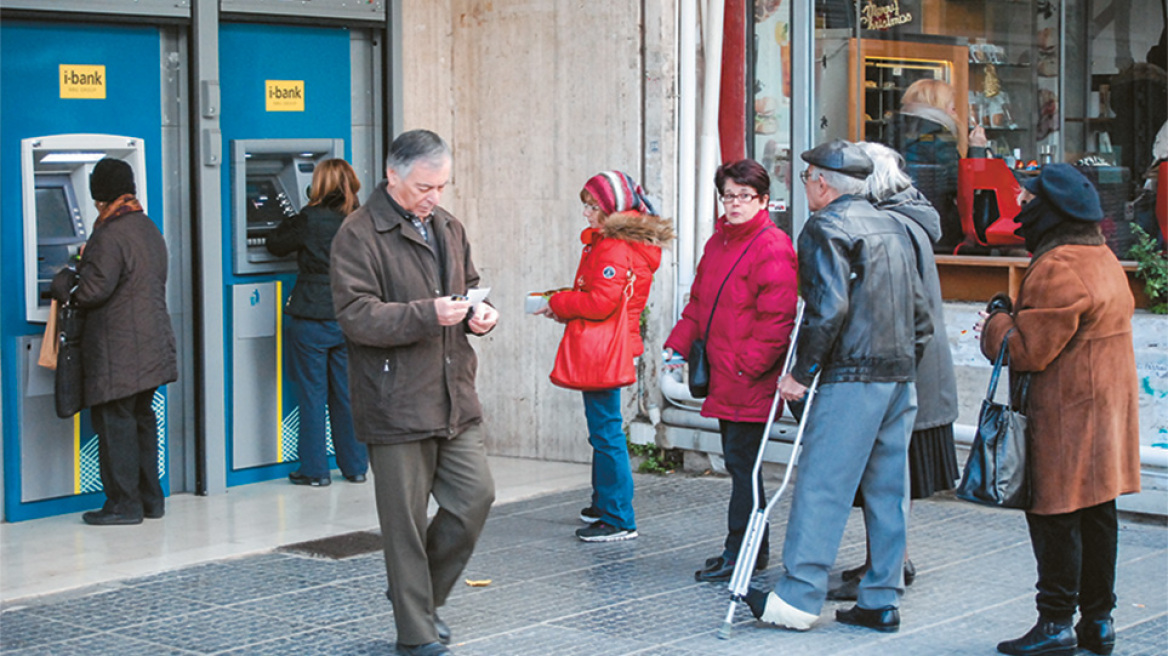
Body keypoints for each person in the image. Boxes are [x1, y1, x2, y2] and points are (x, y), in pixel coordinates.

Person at [744, 139, 932, 633]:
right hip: (898, 375)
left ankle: (798, 598)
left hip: (853, 374)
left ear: (822, 183)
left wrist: (800, 375)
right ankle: (881, 597)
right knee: (888, 490)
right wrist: (906, 365)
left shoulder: (826, 226)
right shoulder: (894, 223)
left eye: (806, 178)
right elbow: (922, 314)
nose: (804, 186)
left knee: (822, 484)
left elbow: (827, 309)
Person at [330, 130, 498, 656]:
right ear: (392, 176)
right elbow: (356, 316)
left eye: (442, 185)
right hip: (393, 400)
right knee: (403, 525)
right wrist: (428, 314)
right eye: (425, 186)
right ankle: (417, 634)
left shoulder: (448, 226)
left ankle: (418, 598)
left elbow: (467, 283)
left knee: (476, 498)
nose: (434, 197)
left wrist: (478, 317)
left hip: (453, 394)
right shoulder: (357, 234)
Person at [975, 164, 1141, 656]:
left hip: (1067, 416)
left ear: (1052, 210)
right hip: (1104, 411)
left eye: (1027, 200)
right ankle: (1098, 622)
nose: (1021, 207)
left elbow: (1027, 350)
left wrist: (997, 320)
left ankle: (1054, 623)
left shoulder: (1058, 266)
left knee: (1055, 516)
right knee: (1097, 515)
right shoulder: (1101, 255)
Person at [827, 142, 961, 600]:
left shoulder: (890, 226)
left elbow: (898, 305)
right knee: (887, 479)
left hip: (899, 368)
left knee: (885, 478)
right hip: (913, 365)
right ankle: (884, 563)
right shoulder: (910, 218)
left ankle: (887, 567)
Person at [663, 159, 798, 581]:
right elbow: (700, 302)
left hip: (747, 379)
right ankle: (745, 550)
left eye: (745, 196)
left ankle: (742, 551)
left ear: (763, 200)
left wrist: (746, 368)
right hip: (725, 375)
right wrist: (677, 344)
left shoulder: (772, 246)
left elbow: (777, 322)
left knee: (743, 468)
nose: (735, 203)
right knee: (739, 465)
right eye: (729, 195)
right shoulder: (718, 242)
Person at [537, 171, 674, 542]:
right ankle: (604, 504)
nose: (586, 213)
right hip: (614, 343)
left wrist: (558, 303)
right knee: (603, 427)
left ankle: (617, 516)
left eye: (592, 206)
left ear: (611, 207)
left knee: (606, 431)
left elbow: (600, 302)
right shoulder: (625, 241)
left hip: (604, 347)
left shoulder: (613, 245)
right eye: (585, 205)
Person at [50, 158, 177, 526]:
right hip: (151, 344)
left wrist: (62, 281)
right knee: (140, 419)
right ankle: (152, 499)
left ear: (102, 197)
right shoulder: (147, 226)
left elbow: (92, 290)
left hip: (119, 349)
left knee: (114, 423)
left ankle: (124, 504)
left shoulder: (110, 233)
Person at [265, 159, 369, 487]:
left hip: (311, 316)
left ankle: (314, 470)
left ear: (319, 185)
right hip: (348, 315)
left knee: (312, 395)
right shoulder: (361, 219)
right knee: (346, 394)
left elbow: (275, 243)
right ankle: (355, 466)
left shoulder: (309, 219)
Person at [885, 78, 987, 252]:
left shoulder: (893, 131)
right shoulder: (938, 136)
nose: (954, 110)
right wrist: (977, 150)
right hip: (936, 225)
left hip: (896, 223)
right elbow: (962, 185)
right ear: (937, 105)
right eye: (951, 105)